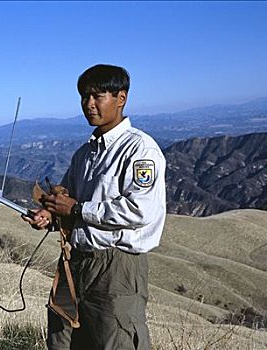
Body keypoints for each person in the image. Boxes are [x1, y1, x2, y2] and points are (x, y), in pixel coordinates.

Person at [23, 64, 166, 350]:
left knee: (116, 341)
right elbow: (67, 198)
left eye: (98, 96)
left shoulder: (139, 149)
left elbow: (140, 211)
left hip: (116, 267)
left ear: (121, 98)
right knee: (64, 339)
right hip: (76, 260)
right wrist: (50, 215)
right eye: (84, 97)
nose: (89, 104)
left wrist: (76, 210)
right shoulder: (85, 154)